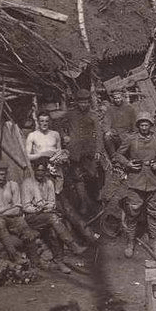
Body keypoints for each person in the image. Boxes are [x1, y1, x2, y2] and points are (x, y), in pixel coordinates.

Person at [113, 112, 156, 259]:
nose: (144, 127)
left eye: (147, 125)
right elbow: (118, 155)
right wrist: (127, 163)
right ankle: (130, 242)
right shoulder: (131, 139)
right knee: (132, 213)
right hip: (136, 181)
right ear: (138, 126)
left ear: (150, 125)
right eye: (141, 125)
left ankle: (154, 242)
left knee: (154, 214)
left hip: (154, 181)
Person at [21, 162, 87, 271]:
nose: (40, 173)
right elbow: (26, 206)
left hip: (47, 215)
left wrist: (45, 207)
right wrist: (38, 208)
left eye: (42, 171)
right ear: (33, 170)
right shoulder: (27, 184)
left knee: (53, 229)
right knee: (53, 218)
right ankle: (72, 245)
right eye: (38, 170)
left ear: (45, 171)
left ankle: (59, 262)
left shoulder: (49, 183)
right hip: (32, 218)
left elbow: (52, 203)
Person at [61, 89, 107, 217]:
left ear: (89, 102)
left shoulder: (93, 115)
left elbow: (98, 133)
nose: (83, 105)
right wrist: (64, 136)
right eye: (81, 102)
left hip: (89, 150)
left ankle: (95, 195)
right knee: (77, 177)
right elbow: (59, 125)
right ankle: (83, 203)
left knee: (92, 174)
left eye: (86, 102)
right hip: (75, 151)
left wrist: (98, 150)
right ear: (77, 102)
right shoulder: (70, 114)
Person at [0, 162, 40, 265]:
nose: (0, 177)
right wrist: (7, 207)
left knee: (23, 225)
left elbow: (17, 209)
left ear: (6, 174)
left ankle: (36, 261)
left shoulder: (13, 185)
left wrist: (0, 211)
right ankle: (14, 256)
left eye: (2, 174)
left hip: (12, 218)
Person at [103, 88, 137, 154]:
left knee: (130, 140)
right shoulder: (110, 109)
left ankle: (120, 156)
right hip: (115, 133)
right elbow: (106, 121)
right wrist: (107, 131)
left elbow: (134, 123)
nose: (117, 100)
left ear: (122, 97)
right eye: (115, 98)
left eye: (119, 98)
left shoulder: (129, 108)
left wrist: (134, 132)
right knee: (107, 137)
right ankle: (113, 155)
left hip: (126, 133)